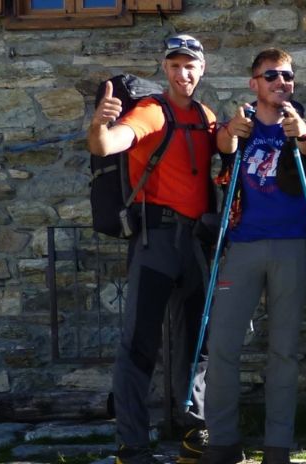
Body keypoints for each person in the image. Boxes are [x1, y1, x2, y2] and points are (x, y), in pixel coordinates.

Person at [87, 34, 218, 464]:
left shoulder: (205, 116)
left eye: (190, 65)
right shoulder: (150, 111)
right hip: (155, 240)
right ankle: (132, 446)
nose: (183, 73)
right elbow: (108, 145)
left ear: (201, 69)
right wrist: (99, 126)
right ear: (165, 69)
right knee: (140, 344)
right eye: (175, 65)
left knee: (197, 343)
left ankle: (194, 434)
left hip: (193, 244)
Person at [197, 48, 306, 464]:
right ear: (254, 83)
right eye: (271, 76)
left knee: (284, 350)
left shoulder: (299, 122)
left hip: (291, 245)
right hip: (243, 245)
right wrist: (232, 131)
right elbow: (223, 143)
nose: (281, 82)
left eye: (287, 76)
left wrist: (301, 131)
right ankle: (223, 442)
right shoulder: (242, 122)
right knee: (223, 344)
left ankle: (277, 446)